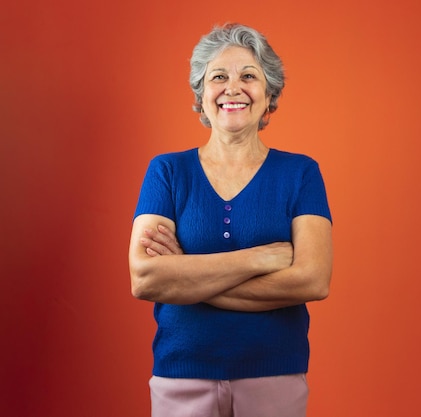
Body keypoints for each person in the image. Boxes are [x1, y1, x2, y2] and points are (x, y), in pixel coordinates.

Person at [128, 23, 333, 417]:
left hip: (274, 376)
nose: (232, 88)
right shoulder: (167, 172)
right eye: (218, 77)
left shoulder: (301, 173)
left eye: (249, 76)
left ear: (269, 94)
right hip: (181, 376)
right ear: (201, 95)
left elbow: (313, 279)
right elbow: (145, 279)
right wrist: (257, 260)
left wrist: (185, 277)